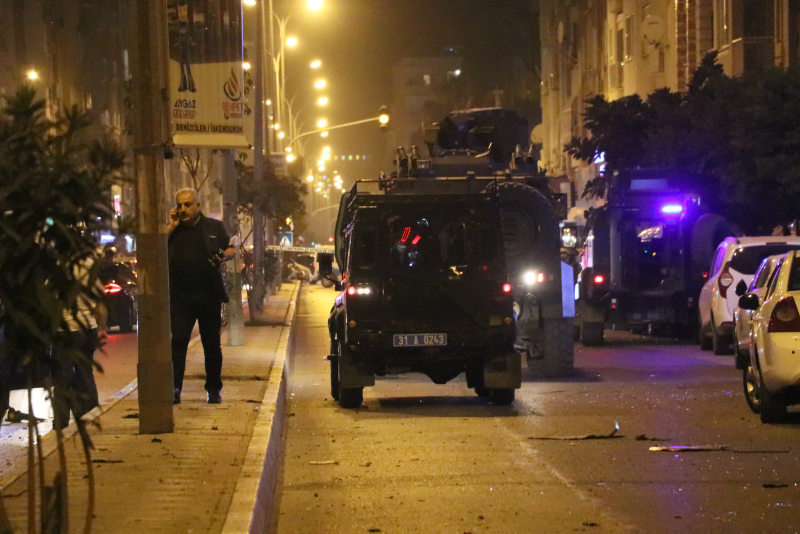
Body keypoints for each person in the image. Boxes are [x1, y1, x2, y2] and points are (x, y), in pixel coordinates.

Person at [167, 188, 234, 404]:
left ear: (198, 206)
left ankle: (213, 389)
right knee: (178, 342)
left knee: (211, 344)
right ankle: (174, 389)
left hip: (209, 296)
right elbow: (155, 249)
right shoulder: (172, 231)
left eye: (187, 204)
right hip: (180, 298)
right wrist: (170, 227)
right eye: (179, 205)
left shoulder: (213, 227)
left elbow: (231, 248)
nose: (183, 209)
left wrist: (223, 256)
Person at [52, 256, 108, 430]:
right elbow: (101, 303)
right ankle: (91, 415)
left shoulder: (60, 266)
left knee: (62, 377)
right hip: (88, 329)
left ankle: (61, 423)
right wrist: (101, 328)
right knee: (86, 373)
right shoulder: (91, 267)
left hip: (66, 330)